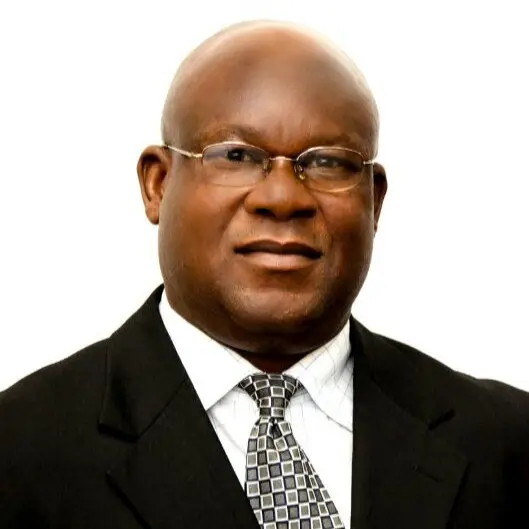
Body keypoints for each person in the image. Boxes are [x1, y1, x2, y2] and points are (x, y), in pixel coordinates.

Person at [1, 20, 528, 529]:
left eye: (327, 162)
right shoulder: (21, 450)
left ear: (374, 200)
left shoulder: (506, 444)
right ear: (157, 184)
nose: (282, 197)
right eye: (236, 155)